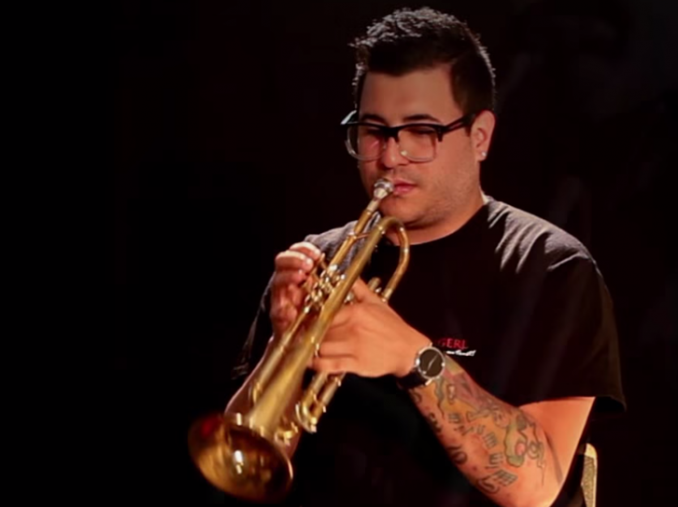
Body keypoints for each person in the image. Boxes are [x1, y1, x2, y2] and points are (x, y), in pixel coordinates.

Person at [225, 7, 624, 507]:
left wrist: (413, 358)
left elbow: (536, 488)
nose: (390, 157)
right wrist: (284, 346)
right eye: (374, 130)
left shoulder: (551, 268)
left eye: (421, 132)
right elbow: (245, 468)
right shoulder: (320, 260)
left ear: (480, 137)